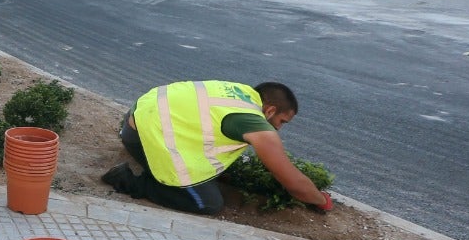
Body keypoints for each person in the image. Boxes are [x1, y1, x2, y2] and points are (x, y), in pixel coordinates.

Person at [101, 80, 334, 216]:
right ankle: (129, 180)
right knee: (208, 203)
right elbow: (293, 183)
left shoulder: (237, 92)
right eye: (282, 122)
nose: (279, 129)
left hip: (133, 123)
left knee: (212, 173)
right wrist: (321, 200)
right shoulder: (255, 122)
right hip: (146, 140)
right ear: (270, 110)